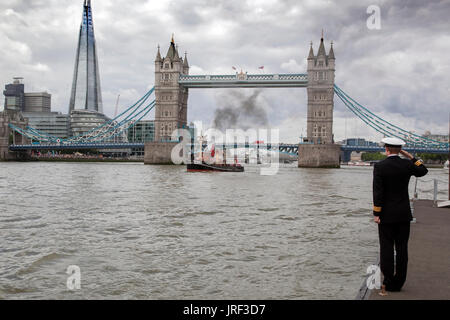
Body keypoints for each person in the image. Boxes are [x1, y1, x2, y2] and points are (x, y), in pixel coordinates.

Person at [372, 137, 428, 295]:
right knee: (402, 249)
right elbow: (423, 171)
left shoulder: (380, 166)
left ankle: (388, 282)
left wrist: (377, 213)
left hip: (386, 215)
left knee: (387, 248)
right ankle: (399, 283)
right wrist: (410, 156)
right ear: (400, 150)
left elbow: (378, 192)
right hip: (404, 214)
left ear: (386, 149)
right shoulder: (407, 165)